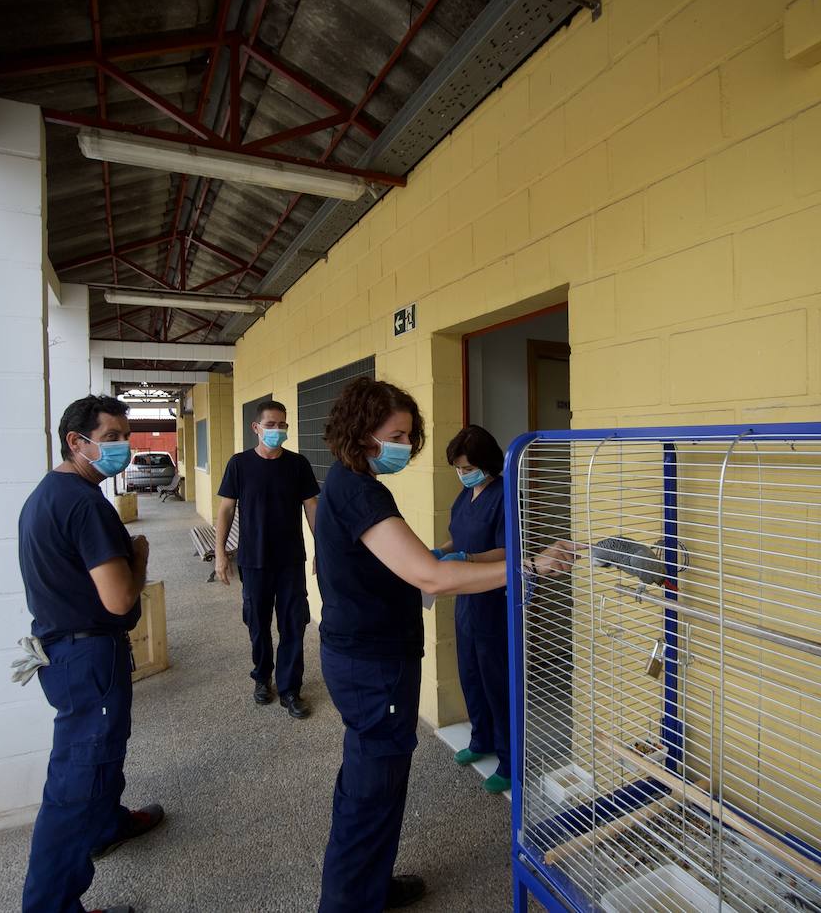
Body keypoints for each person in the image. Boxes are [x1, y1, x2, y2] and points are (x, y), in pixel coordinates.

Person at [313, 377, 577, 912]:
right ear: (361, 432)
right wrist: (529, 565)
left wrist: (440, 561)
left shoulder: (345, 482)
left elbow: (407, 562)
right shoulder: (360, 491)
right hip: (372, 664)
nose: (405, 446)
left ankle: (368, 885)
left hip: (363, 652)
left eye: (409, 436)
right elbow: (430, 576)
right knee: (371, 788)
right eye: (396, 435)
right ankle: (348, 901)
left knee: (375, 781)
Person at [18, 395, 165, 913]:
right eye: (111, 438)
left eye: (125, 436)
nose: (122, 447)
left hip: (67, 651)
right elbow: (120, 599)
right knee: (75, 783)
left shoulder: (49, 493)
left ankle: (107, 825)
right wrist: (139, 558)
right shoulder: (84, 504)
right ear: (75, 442)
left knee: (102, 753)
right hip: (87, 657)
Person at [214, 400, 321, 718]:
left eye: (282, 425)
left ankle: (290, 689)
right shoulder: (239, 464)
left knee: (293, 625)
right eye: (271, 424)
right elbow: (226, 509)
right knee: (258, 624)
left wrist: (322, 549)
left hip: (290, 561)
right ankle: (262, 678)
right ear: (256, 428)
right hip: (253, 560)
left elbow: (312, 507)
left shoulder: (297, 464)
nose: (277, 430)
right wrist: (220, 554)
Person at [433, 426, 512, 793]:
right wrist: (442, 551)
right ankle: (481, 740)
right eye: (458, 468)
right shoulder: (465, 496)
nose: (462, 474)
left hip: (493, 600)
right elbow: (459, 536)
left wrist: (468, 559)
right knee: (469, 674)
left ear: (486, 463)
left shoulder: (504, 495)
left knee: (497, 681)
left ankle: (509, 761)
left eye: (467, 468)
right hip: (466, 599)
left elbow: (508, 549)